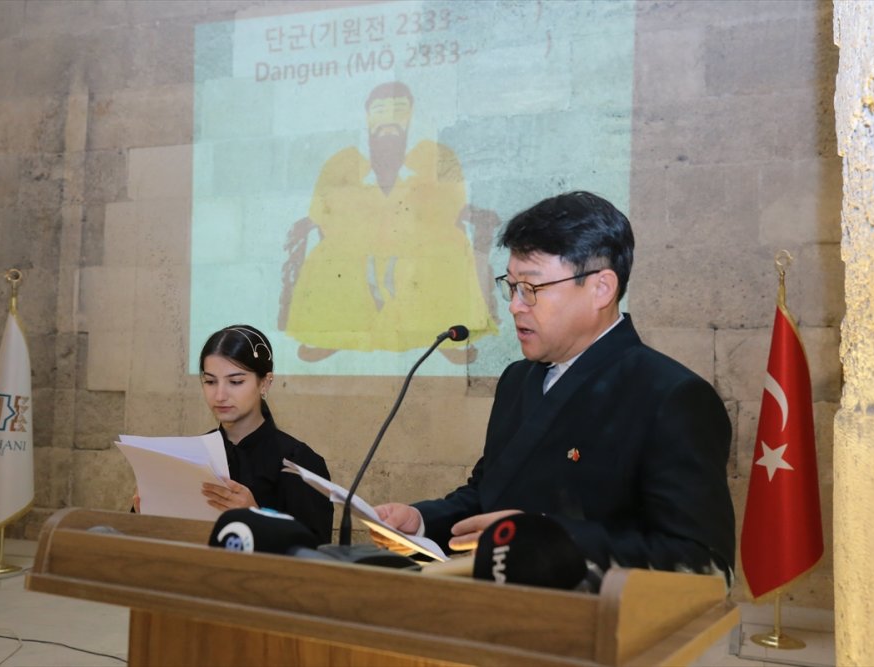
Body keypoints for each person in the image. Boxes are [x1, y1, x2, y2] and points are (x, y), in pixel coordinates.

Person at [374, 191, 736, 583]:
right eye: (510, 287)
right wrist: (423, 521)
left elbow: (704, 563)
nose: (514, 306)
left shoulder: (672, 396)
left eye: (531, 288)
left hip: (597, 630)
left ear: (601, 288)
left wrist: (549, 537)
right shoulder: (517, 380)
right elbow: (491, 495)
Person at [280, 81, 498, 362]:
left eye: (399, 110)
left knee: (444, 250)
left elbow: (451, 206)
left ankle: (446, 337)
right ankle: (333, 335)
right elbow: (323, 212)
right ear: (368, 116)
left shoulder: (436, 156)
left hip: (418, 237)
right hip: (358, 239)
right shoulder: (342, 162)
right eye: (380, 110)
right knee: (332, 257)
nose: (389, 120)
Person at [195, 324, 333, 543]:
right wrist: (146, 510)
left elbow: (316, 551)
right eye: (210, 381)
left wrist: (256, 515)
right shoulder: (194, 452)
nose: (219, 395)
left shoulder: (298, 463)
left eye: (236, 382)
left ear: (265, 383)